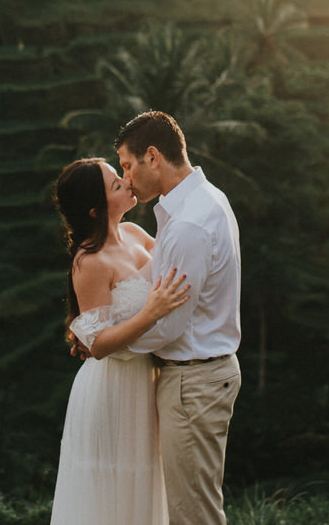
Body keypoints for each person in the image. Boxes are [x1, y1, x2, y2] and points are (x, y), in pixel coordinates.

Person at [116, 111, 242, 525]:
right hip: (200, 377)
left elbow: (169, 324)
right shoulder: (204, 200)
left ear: (153, 156)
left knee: (193, 515)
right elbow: (158, 290)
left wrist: (111, 343)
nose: (127, 179)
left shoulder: (189, 223)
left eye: (128, 166)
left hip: (192, 381)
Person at [50, 156, 191, 525]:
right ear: (96, 210)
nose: (126, 181)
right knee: (112, 490)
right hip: (112, 390)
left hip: (147, 382)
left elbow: (175, 261)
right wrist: (151, 313)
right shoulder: (90, 261)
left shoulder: (132, 234)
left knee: (145, 484)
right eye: (115, 183)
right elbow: (96, 344)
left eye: (120, 174)